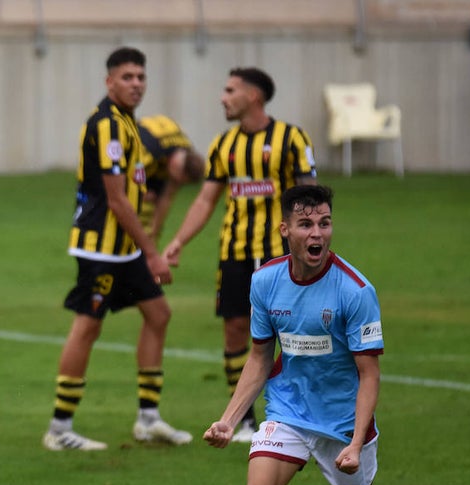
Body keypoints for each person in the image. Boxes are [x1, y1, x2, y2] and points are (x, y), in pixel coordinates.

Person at [203, 184, 410, 485]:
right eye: (306, 224)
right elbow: (259, 359)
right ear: (286, 230)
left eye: (324, 223)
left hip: (342, 424)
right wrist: (229, 419)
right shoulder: (265, 282)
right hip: (290, 411)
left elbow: (369, 374)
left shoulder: (356, 291)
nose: (317, 234)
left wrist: (356, 443)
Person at [43, 47, 191, 452]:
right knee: (87, 326)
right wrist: (153, 252)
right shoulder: (107, 124)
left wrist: (146, 246)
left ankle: (148, 419)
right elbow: (116, 200)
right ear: (109, 81)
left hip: (124, 247)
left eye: (141, 77)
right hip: (101, 248)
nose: (136, 84)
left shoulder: (129, 123)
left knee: (158, 314)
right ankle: (59, 428)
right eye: (127, 77)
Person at [162, 67, 317, 442]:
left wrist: (312, 243)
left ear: (254, 96)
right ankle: (244, 420)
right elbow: (205, 199)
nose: (223, 97)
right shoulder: (223, 145)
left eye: (230, 90)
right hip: (235, 252)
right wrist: (179, 240)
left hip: (282, 255)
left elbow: (310, 195)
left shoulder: (292, 138)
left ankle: (297, 413)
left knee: (295, 333)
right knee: (234, 329)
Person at [136, 115, 205, 242]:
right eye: (178, 179)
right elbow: (120, 184)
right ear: (178, 169)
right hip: (137, 149)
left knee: (155, 196)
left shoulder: (186, 151)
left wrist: (153, 235)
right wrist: (140, 193)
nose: (177, 184)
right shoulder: (146, 153)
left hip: (160, 154)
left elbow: (167, 197)